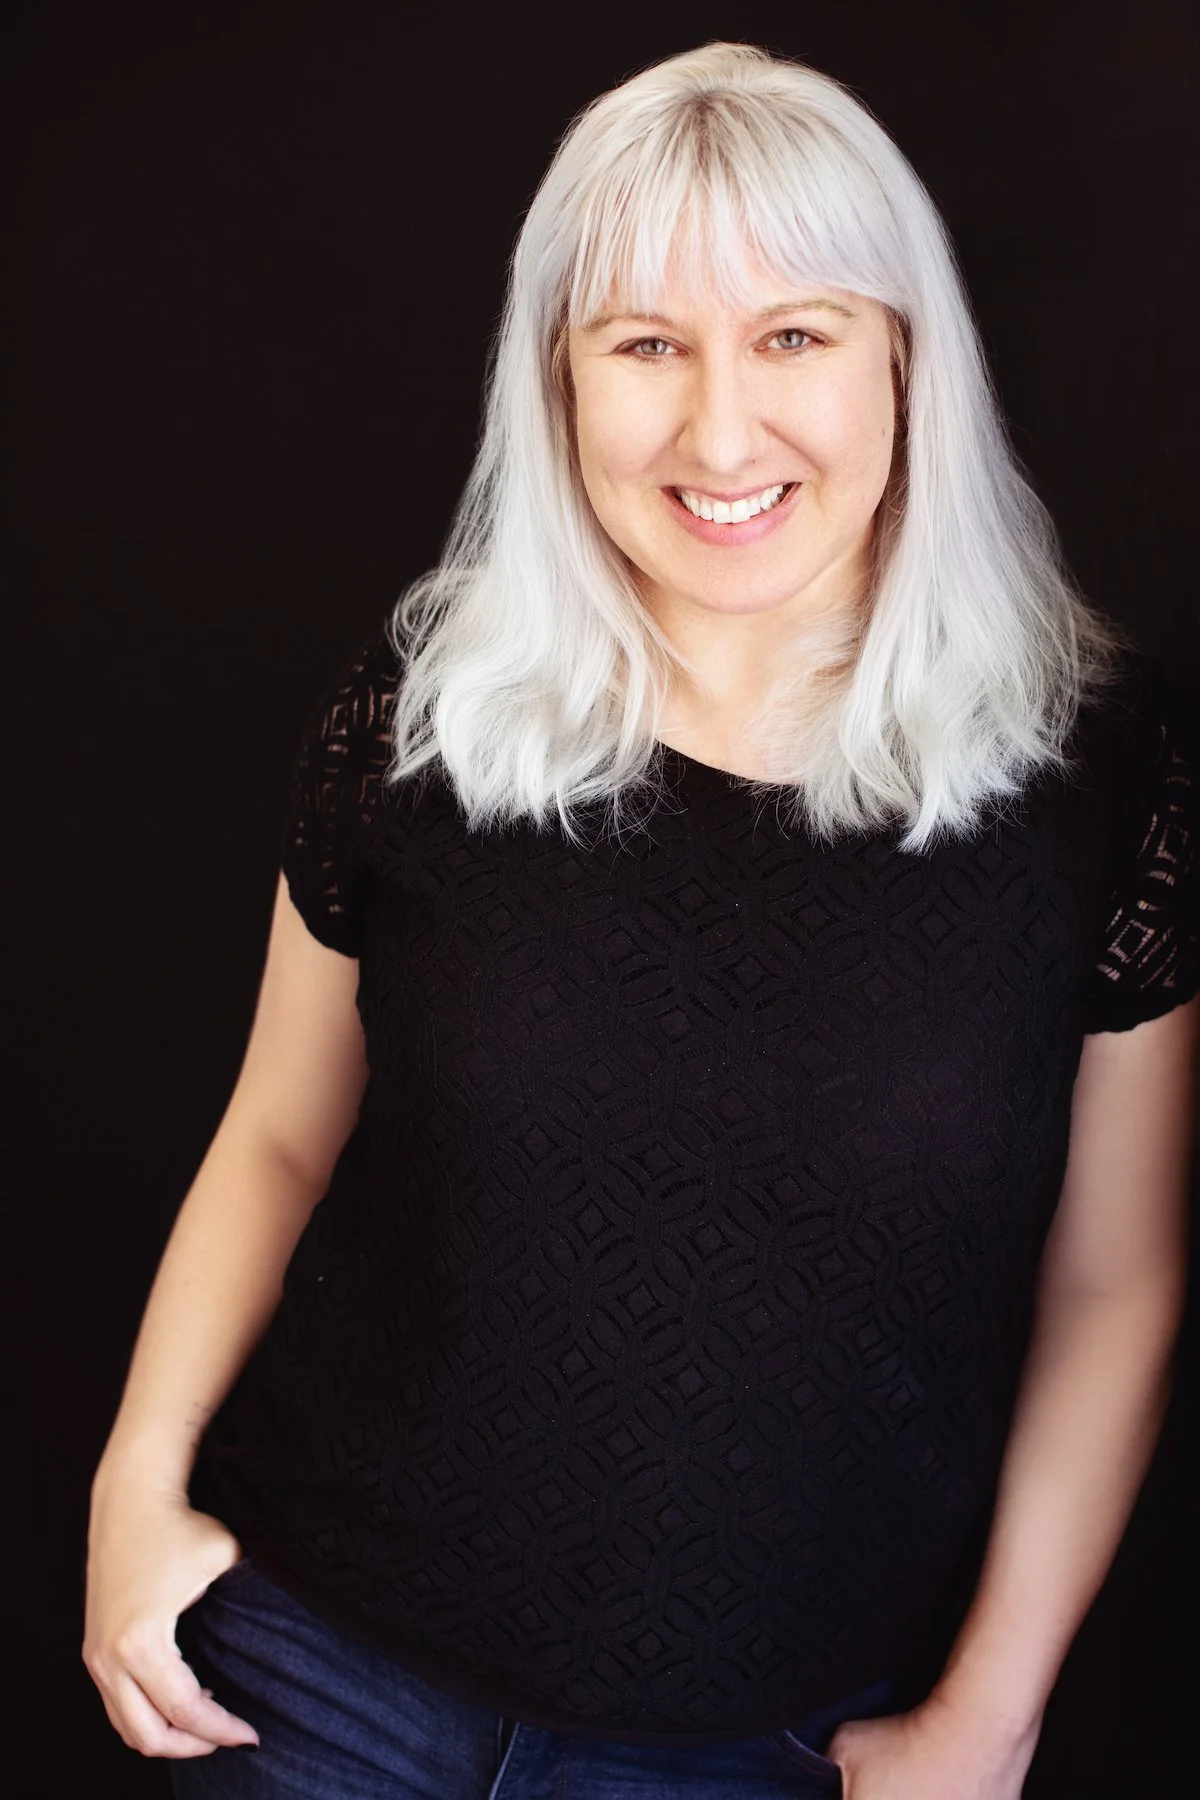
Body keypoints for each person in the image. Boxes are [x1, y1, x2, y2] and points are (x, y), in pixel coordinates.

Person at [84, 41, 1199, 1800]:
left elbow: (1115, 1277)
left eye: (795, 336)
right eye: (647, 345)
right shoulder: (428, 708)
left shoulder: (1100, 778)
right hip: (314, 1682)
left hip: (769, 1746)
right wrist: (134, 1488)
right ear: (558, 378)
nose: (721, 433)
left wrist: (994, 1714)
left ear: (907, 360)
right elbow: (282, 1134)